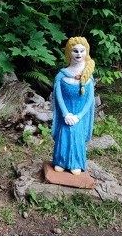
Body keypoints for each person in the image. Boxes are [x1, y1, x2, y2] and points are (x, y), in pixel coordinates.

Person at [51, 36, 96, 175]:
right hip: (67, 115)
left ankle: (75, 162)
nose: (78, 54)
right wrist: (65, 114)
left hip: (78, 117)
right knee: (63, 135)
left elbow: (90, 100)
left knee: (76, 135)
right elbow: (58, 97)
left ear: (86, 52)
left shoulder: (88, 77)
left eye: (82, 51)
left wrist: (79, 116)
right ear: (69, 53)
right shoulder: (61, 75)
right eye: (75, 51)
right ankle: (60, 161)